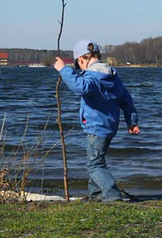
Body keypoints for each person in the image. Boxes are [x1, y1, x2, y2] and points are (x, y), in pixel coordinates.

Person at [53, 39, 140, 202]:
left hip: (97, 127)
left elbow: (81, 87)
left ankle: (112, 196)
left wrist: (64, 70)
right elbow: (126, 100)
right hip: (109, 126)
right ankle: (96, 195)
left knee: (94, 165)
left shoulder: (92, 77)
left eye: (79, 65)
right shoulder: (112, 76)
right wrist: (132, 121)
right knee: (96, 161)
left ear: (81, 60)